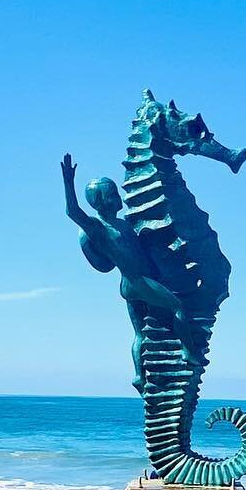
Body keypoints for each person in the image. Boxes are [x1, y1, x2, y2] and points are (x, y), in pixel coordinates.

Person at [61, 154, 204, 388]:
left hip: (133, 284)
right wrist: (69, 183)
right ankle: (189, 352)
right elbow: (73, 212)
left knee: (139, 334)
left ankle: (139, 376)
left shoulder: (123, 224)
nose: (118, 198)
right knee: (178, 306)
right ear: (99, 202)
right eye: (112, 195)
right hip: (137, 282)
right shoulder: (98, 228)